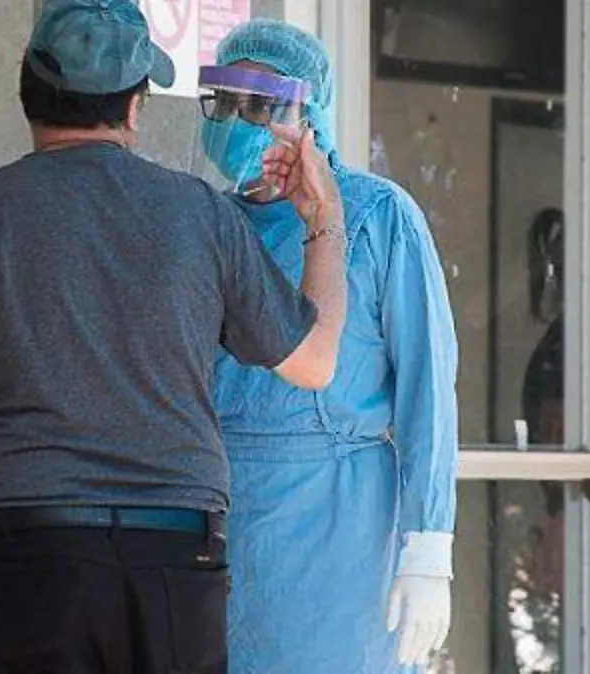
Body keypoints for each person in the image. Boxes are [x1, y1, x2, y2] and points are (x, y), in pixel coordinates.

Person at [0, 1, 350, 672]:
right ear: (134, 105)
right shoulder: (201, 215)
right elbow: (315, 362)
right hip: (175, 557)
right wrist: (324, 219)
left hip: (23, 556)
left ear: (28, 92)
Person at [198, 19, 459, 674]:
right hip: (219, 529)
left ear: (308, 113)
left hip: (339, 528)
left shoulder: (377, 216)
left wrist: (428, 548)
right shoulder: (205, 223)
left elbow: (428, 388)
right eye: (224, 102)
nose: (236, 121)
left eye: (259, 105)